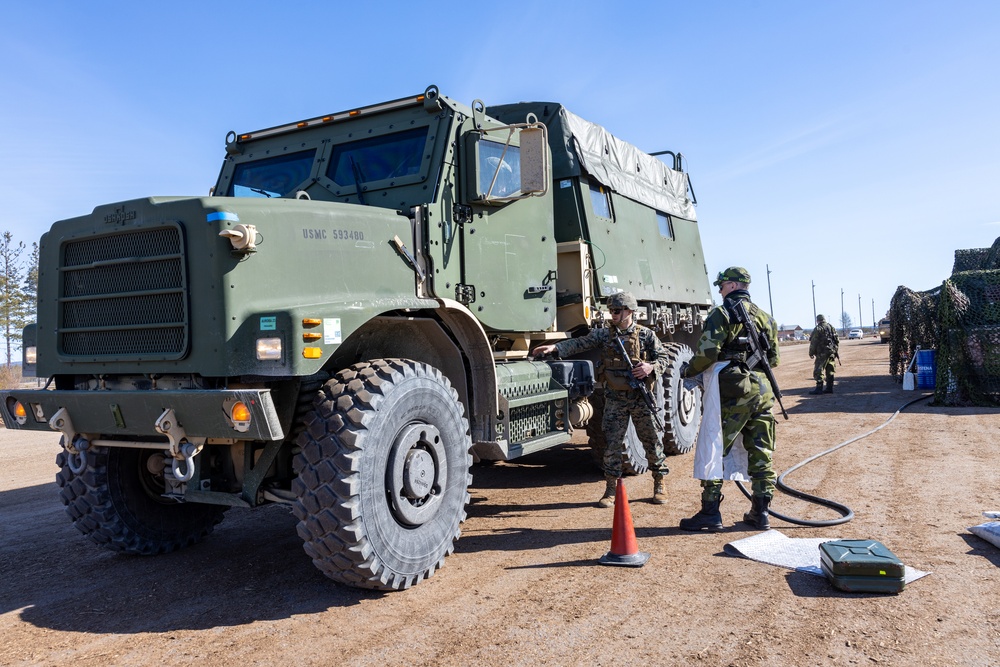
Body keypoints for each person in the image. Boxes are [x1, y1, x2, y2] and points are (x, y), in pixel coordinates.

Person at [532, 291, 670, 508]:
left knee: (651, 441)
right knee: (612, 444)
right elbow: (580, 343)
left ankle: (659, 483)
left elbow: (664, 358)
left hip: (640, 398)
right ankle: (610, 489)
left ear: (629, 311)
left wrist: (650, 367)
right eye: (611, 310)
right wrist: (555, 348)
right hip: (615, 399)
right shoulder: (605, 335)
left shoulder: (646, 335)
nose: (612, 314)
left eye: (616, 311)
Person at [679, 267, 779, 531]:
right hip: (762, 391)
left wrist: (688, 371)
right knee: (761, 450)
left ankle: (710, 513)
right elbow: (775, 360)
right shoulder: (767, 319)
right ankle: (761, 513)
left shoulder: (721, 314)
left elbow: (706, 354)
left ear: (733, 285)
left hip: (733, 390)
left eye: (721, 286)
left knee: (715, 445)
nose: (720, 290)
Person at [809, 314, 839, 394]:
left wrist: (811, 352)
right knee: (830, 369)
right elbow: (836, 339)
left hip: (822, 353)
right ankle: (829, 387)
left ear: (818, 320)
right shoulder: (831, 327)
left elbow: (813, 342)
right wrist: (835, 350)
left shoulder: (818, 328)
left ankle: (819, 388)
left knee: (818, 369)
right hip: (832, 352)